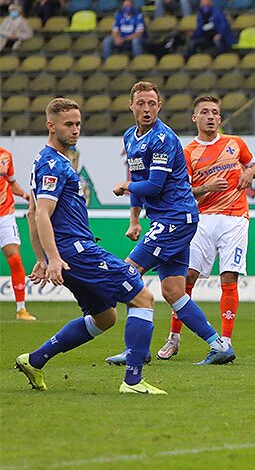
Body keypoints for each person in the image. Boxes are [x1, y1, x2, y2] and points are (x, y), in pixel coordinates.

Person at [14, 98, 165, 395]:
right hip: (77, 252)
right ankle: (133, 381)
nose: (75, 130)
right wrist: (52, 259)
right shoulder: (53, 164)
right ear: (51, 125)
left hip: (67, 253)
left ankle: (35, 359)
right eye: (68, 124)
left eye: (78, 124)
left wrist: (43, 258)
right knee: (143, 298)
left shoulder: (44, 160)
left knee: (105, 317)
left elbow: (31, 212)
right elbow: (41, 213)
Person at [105, 81, 235, 366]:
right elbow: (139, 178)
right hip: (169, 219)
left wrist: (126, 186)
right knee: (173, 291)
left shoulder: (163, 138)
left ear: (159, 106)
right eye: (141, 103)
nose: (147, 109)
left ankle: (136, 350)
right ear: (131, 105)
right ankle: (219, 345)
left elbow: (153, 186)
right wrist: (134, 219)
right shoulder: (130, 136)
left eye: (152, 104)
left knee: (127, 274)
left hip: (175, 219)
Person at [156, 95, 255, 360]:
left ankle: (225, 341)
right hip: (202, 219)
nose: (211, 116)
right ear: (195, 118)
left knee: (229, 277)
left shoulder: (235, 143)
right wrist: (206, 188)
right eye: (205, 112)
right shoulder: (187, 152)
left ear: (220, 117)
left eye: (215, 112)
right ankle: (174, 337)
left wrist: (249, 172)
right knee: (187, 278)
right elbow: (181, 191)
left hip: (235, 218)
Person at [1, 145, 33, 320]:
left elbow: (11, 182)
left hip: (5, 216)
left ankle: (21, 309)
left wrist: (24, 194)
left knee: (15, 259)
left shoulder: (5, 155)